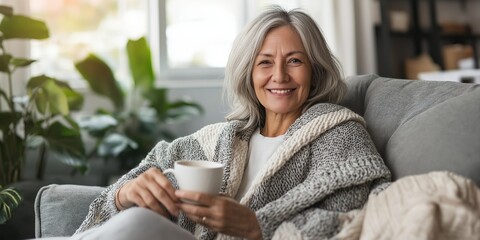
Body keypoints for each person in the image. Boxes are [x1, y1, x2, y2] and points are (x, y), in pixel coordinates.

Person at [71, 6, 391, 240]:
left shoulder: (340, 134)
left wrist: (256, 225)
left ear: (315, 70)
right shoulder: (222, 139)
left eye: (294, 60)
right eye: (265, 62)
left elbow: (351, 222)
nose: (279, 76)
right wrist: (124, 194)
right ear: (249, 74)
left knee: (137, 226)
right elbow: (119, 193)